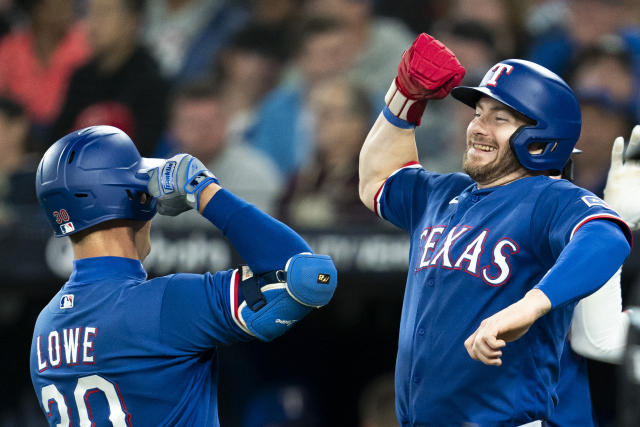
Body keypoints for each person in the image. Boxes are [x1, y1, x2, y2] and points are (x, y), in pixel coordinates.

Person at [358, 33, 632, 424]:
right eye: (477, 114)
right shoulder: (445, 193)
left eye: (499, 119)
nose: (478, 127)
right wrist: (403, 98)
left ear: (541, 140)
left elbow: (606, 236)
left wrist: (527, 307)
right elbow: (377, 183)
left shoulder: (548, 197)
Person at [29, 125, 337, 425]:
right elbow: (308, 276)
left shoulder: (44, 327)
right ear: (135, 199)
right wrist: (204, 191)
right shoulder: (163, 304)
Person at [52, 0, 169, 156]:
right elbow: (56, 141)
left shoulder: (152, 83)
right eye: (88, 13)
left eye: (103, 13)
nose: (91, 23)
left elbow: (145, 153)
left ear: (133, 22)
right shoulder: (81, 77)